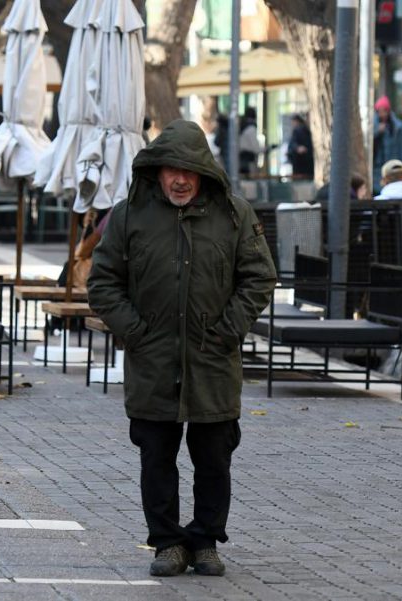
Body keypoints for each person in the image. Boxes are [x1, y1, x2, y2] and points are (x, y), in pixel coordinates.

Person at [87, 119, 276, 578]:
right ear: (156, 170)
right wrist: (135, 331)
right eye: (171, 169)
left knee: (214, 456)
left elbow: (259, 276)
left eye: (189, 171)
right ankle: (168, 543)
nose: (179, 179)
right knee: (156, 456)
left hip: (213, 361)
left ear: (204, 172)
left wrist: (230, 328)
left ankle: (206, 541)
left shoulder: (234, 214)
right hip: (152, 362)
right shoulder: (130, 213)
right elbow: (102, 282)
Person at [372, 95, 402, 194]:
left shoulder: (398, 127)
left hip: (393, 163)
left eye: (384, 111)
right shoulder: (373, 125)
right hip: (378, 165)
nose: (382, 114)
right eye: (379, 111)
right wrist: (377, 131)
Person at [286, 113, 314, 179]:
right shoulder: (303, 130)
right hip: (306, 164)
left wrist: (297, 148)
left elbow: (293, 144)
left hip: (301, 164)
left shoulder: (299, 130)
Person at [237, 107, 260, 177]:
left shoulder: (241, 127)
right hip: (249, 160)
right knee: (250, 181)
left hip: (240, 159)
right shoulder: (251, 128)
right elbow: (256, 149)